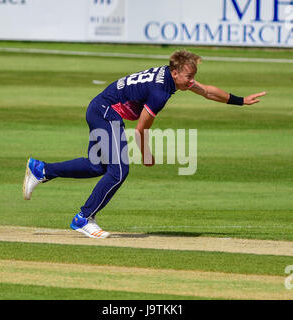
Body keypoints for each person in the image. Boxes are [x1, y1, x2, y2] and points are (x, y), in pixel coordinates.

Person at [23, 49, 265, 238]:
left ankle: (42, 170)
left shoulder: (171, 77)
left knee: (97, 167)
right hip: (106, 112)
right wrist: (146, 155)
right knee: (118, 172)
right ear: (175, 73)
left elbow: (208, 92)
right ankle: (83, 218)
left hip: (99, 108)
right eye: (189, 77)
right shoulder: (160, 91)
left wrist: (241, 101)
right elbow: (140, 128)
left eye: (193, 76)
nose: (192, 81)